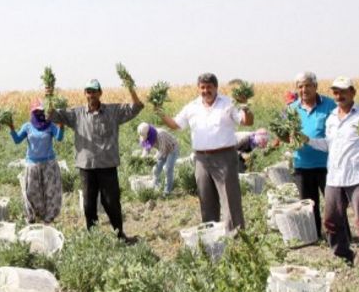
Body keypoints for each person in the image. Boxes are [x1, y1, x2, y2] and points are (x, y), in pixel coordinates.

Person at [302, 77, 359, 271]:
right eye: (336, 92)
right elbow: (328, 145)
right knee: (331, 219)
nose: (339, 96)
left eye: (343, 92)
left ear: (353, 92)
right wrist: (307, 140)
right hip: (335, 177)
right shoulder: (331, 117)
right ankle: (343, 256)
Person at [50, 79, 143, 243]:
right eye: (88, 91)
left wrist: (130, 88)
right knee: (88, 204)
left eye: (94, 91)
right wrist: (48, 94)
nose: (91, 95)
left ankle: (120, 235)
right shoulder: (76, 114)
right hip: (87, 167)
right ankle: (93, 239)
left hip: (107, 165)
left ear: (100, 93)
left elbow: (136, 107)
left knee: (112, 202)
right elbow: (51, 114)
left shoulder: (113, 111)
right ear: (85, 94)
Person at [156, 73, 254, 230]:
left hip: (225, 157)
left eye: (209, 87)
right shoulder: (192, 107)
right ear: (198, 88)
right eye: (202, 87)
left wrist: (245, 106)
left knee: (230, 199)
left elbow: (247, 122)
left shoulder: (228, 103)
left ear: (216, 87)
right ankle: (212, 236)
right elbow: (175, 125)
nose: (205, 90)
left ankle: (236, 236)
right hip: (201, 159)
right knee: (206, 199)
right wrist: (159, 111)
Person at [288, 72, 337, 240]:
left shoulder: (329, 106)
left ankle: (339, 236)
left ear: (316, 86)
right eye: (300, 86)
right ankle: (314, 236)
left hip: (326, 165)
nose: (304, 89)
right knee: (309, 205)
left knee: (334, 204)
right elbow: (285, 135)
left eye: (308, 85)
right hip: (302, 165)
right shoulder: (292, 109)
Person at [9, 99, 65, 223]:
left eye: (41, 111)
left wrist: (61, 125)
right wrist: (12, 128)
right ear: (32, 112)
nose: (39, 113)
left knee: (50, 192)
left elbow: (59, 138)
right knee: (31, 192)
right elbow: (17, 140)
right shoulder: (27, 126)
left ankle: (48, 218)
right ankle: (33, 217)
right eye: (36, 111)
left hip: (49, 164)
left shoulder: (50, 125)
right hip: (32, 164)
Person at [137, 122, 179, 196]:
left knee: (167, 168)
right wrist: (143, 157)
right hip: (161, 151)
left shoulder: (160, 134)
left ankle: (167, 192)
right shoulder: (143, 134)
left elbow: (162, 152)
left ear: (149, 133)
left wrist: (153, 159)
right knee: (155, 170)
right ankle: (157, 188)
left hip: (172, 150)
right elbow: (146, 148)